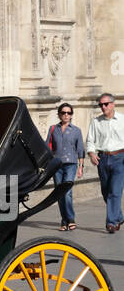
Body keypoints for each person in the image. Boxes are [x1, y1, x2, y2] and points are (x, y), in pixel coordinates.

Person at [85, 93, 124, 233]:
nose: (103, 107)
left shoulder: (122, 120)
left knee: (115, 191)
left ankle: (111, 222)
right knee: (105, 191)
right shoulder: (96, 122)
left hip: (120, 158)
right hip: (103, 158)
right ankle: (118, 215)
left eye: (106, 104)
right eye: (100, 104)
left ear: (113, 104)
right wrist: (91, 153)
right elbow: (90, 140)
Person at [46, 103, 84, 231]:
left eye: (68, 113)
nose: (66, 115)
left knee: (67, 192)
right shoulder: (53, 129)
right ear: (59, 114)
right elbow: (48, 148)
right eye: (63, 113)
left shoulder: (76, 130)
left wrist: (81, 167)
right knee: (59, 193)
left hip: (71, 164)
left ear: (71, 115)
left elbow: (80, 149)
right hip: (57, 165)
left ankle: (71, 219)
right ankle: (64, 220)